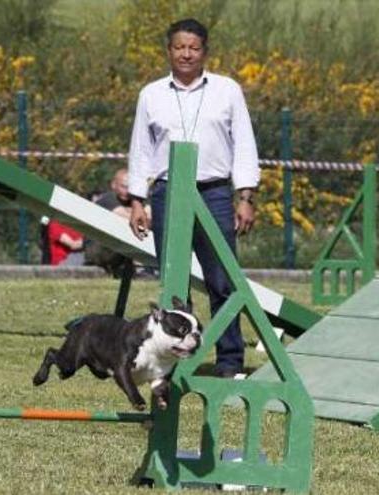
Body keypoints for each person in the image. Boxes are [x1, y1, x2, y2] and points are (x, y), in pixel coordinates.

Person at [127, 18, 260, 378]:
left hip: (215, 192)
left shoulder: (227, 90)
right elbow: (140, 150)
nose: (186, 54)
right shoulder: (151, 94)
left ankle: (230, 360)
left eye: (194, 48)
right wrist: (137, 200)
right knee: (174, 283)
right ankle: (170, 360)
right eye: (179, 47)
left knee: (222, 279)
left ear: (205, 52)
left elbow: (245, 144)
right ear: (169, 51)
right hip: (168, 192)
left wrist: (245, 195)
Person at [85, 168, 143, 276]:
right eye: (123, 187)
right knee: (131, 230)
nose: (127, 191)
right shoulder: (108, 199)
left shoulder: (134, 202)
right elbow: (130, 219)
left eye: (130, 187)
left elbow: (148, 219)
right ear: (113, 185)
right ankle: (141, 269)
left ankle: (142, 268)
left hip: (117, 251)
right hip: (97, 250)